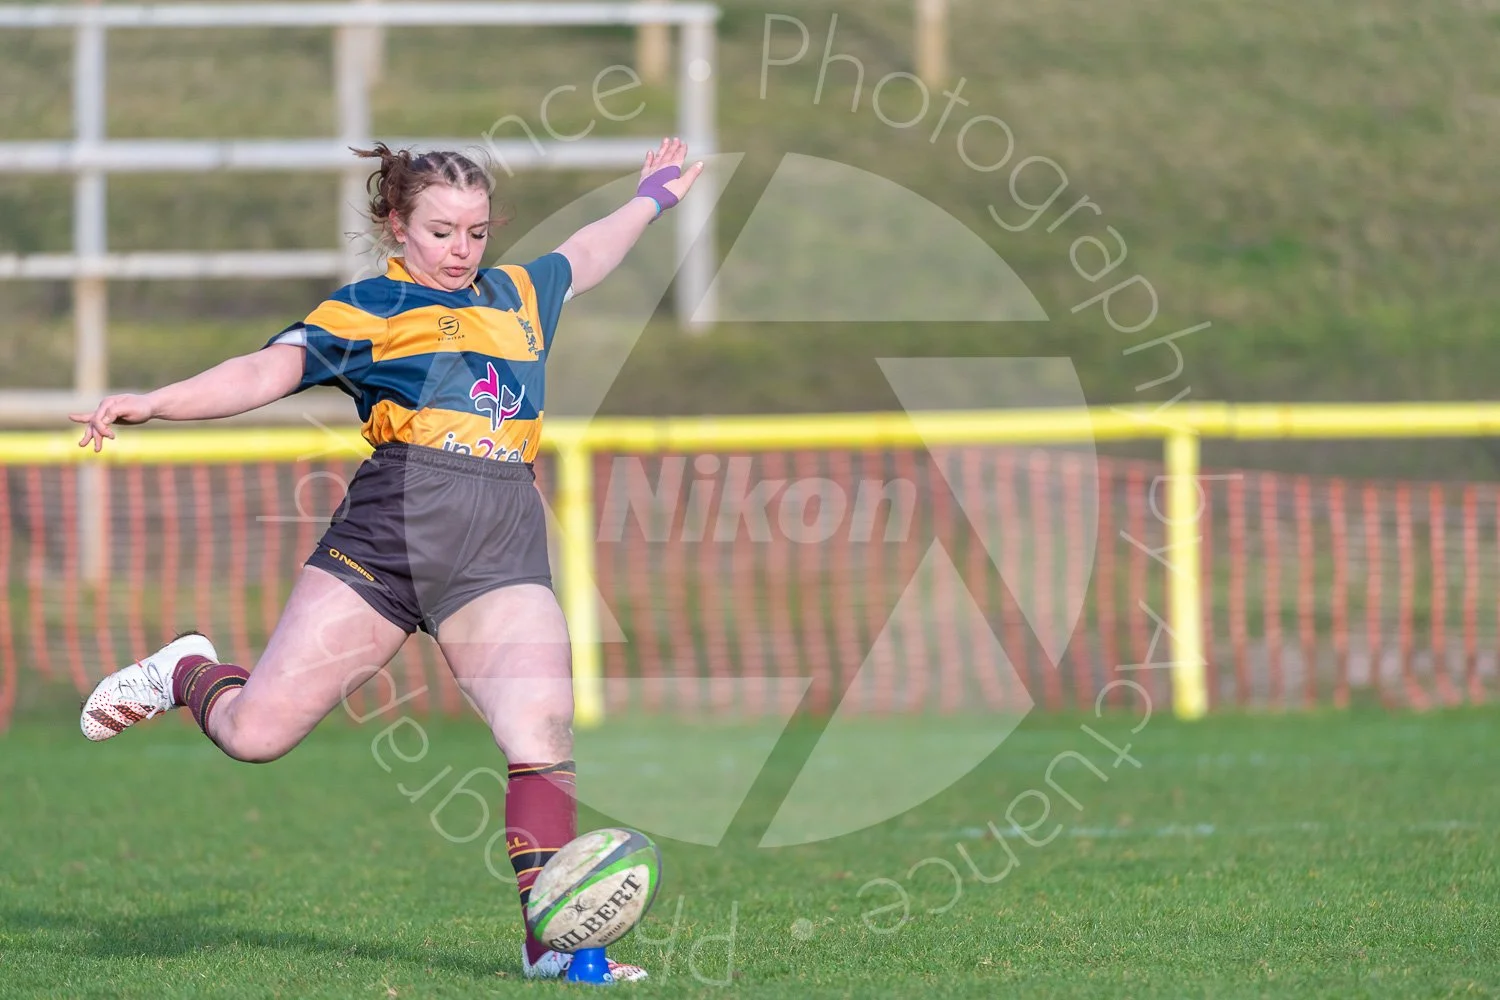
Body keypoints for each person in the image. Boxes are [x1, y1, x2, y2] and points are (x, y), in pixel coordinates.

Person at [72, 138, 704, 983]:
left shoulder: (518, 295)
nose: (461, 249)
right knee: (257, 735)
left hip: (499, 547)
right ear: (397, 225)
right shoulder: (366, 308)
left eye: (476, 233)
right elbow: (266, 370)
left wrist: (652, 197)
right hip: (386, 544)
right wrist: (160, 401)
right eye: (442, 231)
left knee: (541, 732)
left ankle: (555, 950)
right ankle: (187, 670)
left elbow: (583, 255)